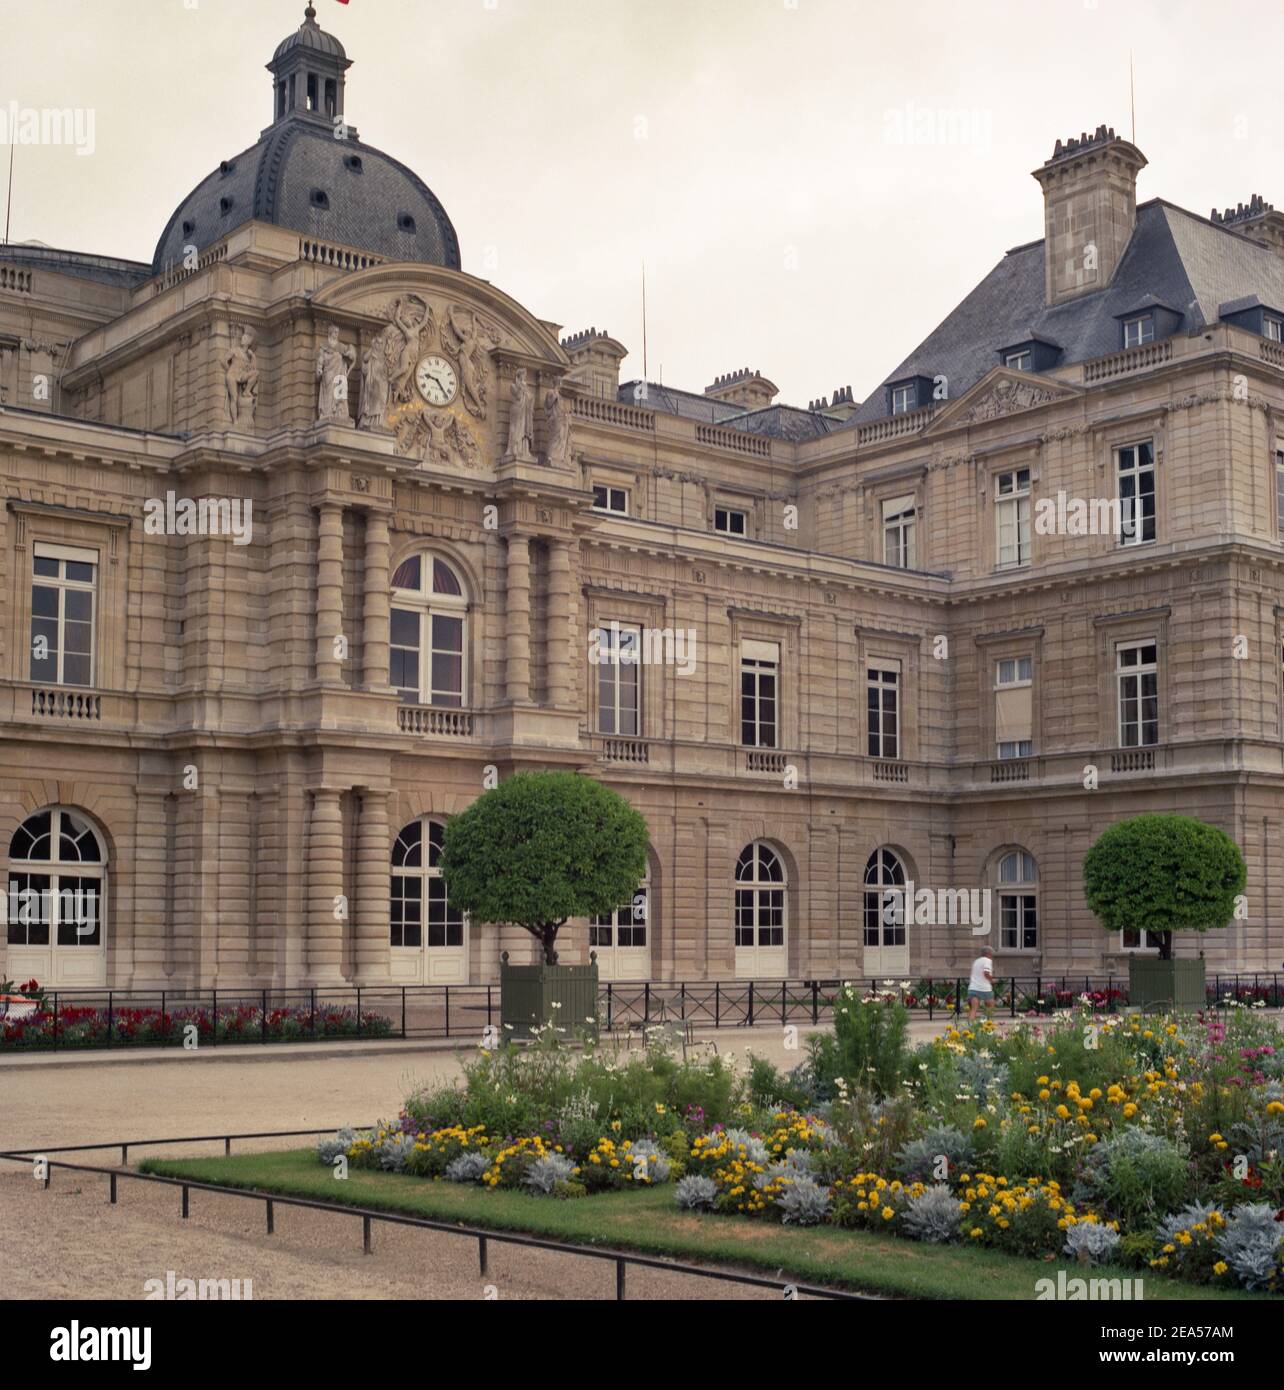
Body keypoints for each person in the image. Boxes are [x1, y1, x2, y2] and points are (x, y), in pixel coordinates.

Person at [967, 951, 993, 1021]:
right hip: (984, 988)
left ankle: (970, 1027)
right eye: (991, 954)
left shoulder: (976, 961)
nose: (992, 956)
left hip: (973, 988)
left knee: (973, 1009)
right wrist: (992, 979)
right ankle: (985, 1024)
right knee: (990, 1006)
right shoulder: (987, 960)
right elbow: (986, 973)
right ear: (988, 954)